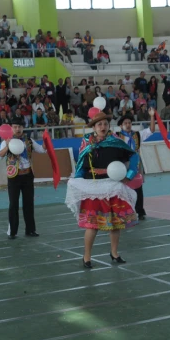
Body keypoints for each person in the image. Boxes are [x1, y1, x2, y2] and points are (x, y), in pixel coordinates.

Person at [65, 112, 140, 268]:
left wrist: (130, 175)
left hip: (112, 186)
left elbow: (134, 156)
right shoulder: (86, 143)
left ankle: (114, 253)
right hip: (93, 189)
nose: (103, 127)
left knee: (115, 223)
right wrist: (77, 180)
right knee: (92, 225)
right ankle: (86, 257)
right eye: (99, 124)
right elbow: (81, 164)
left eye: (105, 124)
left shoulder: (116, 142)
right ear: (93, 127)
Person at [0, 117, 46, 239]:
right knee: (13, 204)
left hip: (28, 175)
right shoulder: (6, 141)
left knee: (28, 204)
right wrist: (7, 146)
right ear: (11, 128)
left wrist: (46, 143)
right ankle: (12, 232)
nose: (17, 129)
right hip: (14, 176)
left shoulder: (28, 140)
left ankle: (30, 230)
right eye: (15, 127)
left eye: (19, 127)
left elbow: (41, 150)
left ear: (23, 128)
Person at [114, 108, 156, 220]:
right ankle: (123, 210)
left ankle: (140, 211)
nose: (128, 125)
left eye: (129, 123)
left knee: (138, 187)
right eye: (125, 123)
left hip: (136, 165)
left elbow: (151, 130)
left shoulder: (137, 135)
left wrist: (152, 116)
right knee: (122, 187)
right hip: (122, 165)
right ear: (121, 125)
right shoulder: (116, 136)